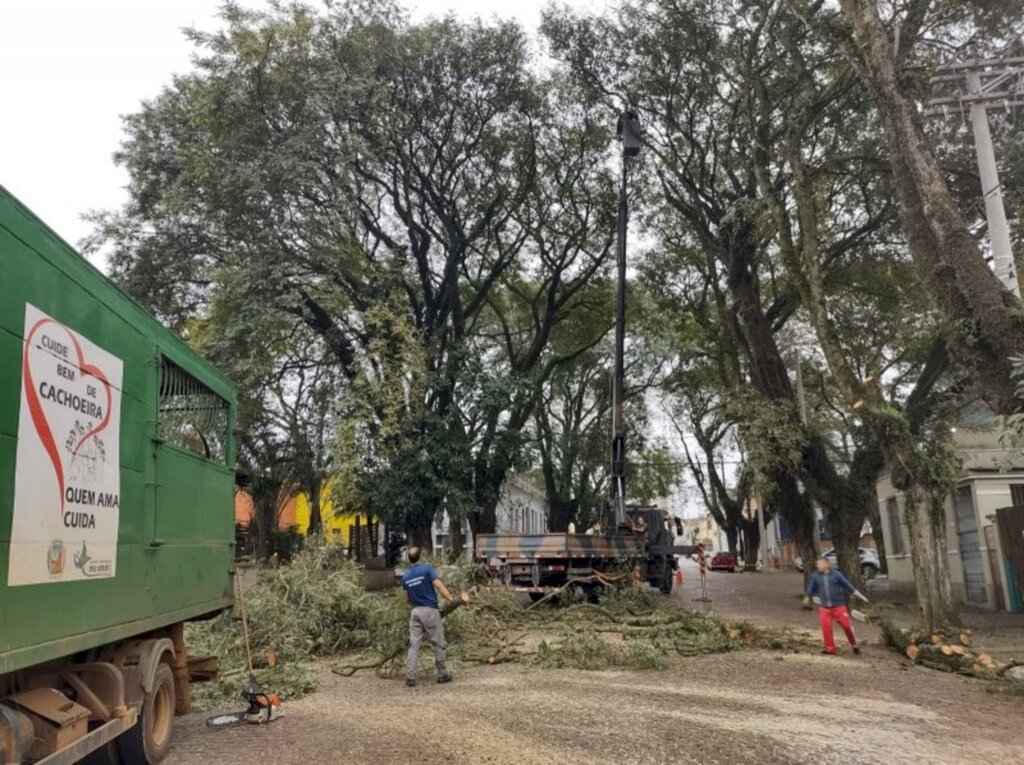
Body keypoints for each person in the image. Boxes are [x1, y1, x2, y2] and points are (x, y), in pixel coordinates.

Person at [402, 546, 455, 687]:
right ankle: (442, 674)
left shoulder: (405, 576)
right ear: (420, 556)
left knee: (414, 645)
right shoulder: (427, 569)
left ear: (409, 559)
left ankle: (410, 676)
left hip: (415, 612)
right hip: (430, 610)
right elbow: (438, 585)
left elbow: (406, 598)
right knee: (438, 642)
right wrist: (451, 599)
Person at [803, 555, 870, 655]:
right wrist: (807, 597)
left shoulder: (836, 575)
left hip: (839, 606)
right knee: (826, 628)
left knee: (847, 626)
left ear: (827, 564)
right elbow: (811, 588)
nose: (818, 566)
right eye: (818, 564)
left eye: (820, 564)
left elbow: (848, 586)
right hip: (824, 607)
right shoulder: (815, 576)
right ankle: (830, 649)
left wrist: (861, 596)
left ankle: (854, 644)